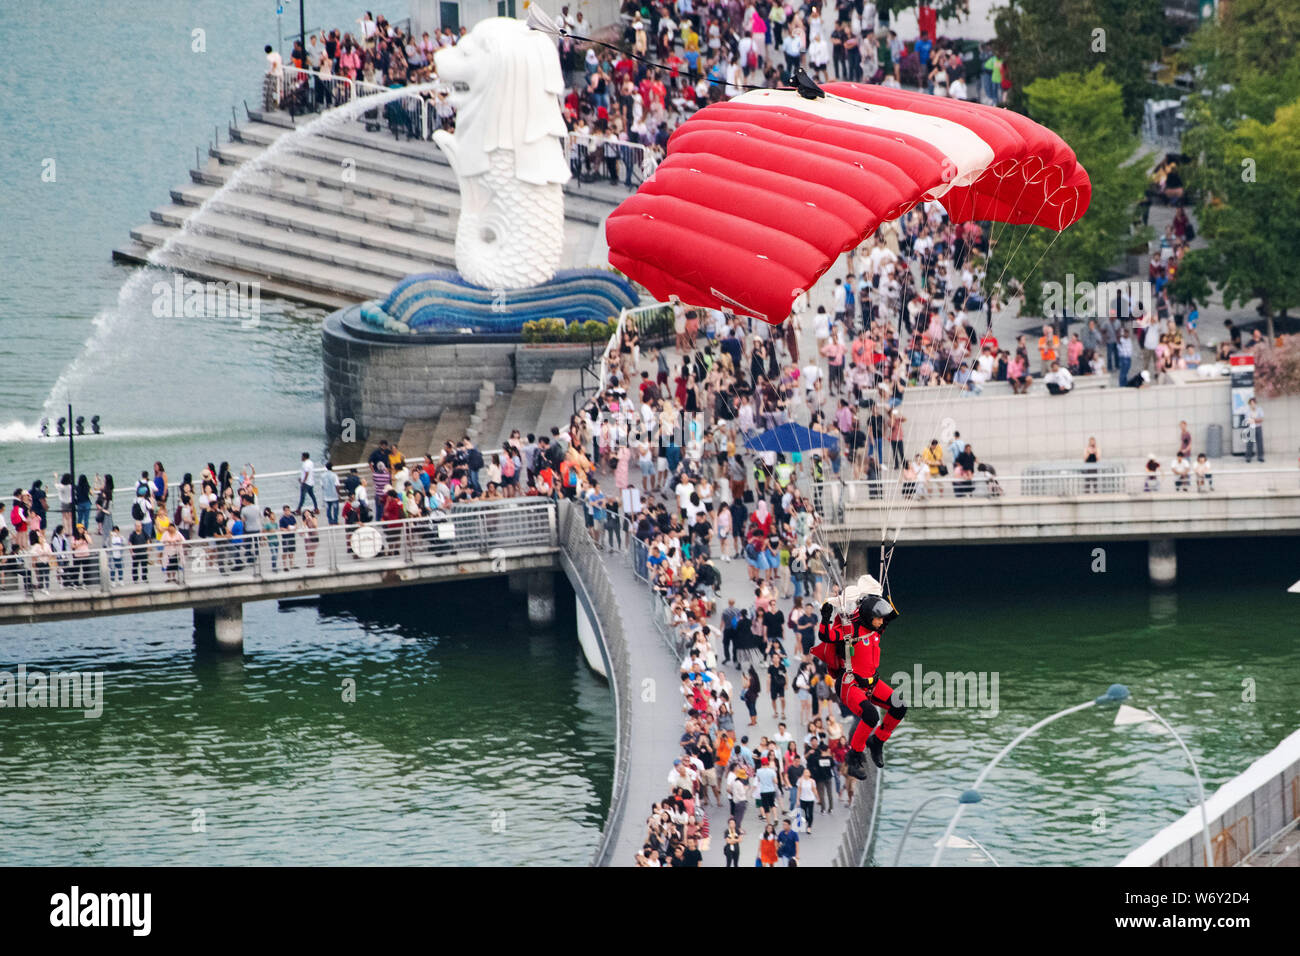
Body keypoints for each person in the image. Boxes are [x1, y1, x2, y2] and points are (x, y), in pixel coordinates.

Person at [811, 579, 904, 774]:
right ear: (869, 616)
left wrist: (878, 594)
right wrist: (826, 617)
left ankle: (876, 741)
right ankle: (853, 758)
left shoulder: (877, 628)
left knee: (899, 706)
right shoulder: (851, 629)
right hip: (850, 685)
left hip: (872, 682)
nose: (881, 622)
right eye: (878, 618)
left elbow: (891, 615)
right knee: (870, 716)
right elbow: (826, 636)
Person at [1244, 397, 1264, 462]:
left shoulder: (1259, 409)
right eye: (1251, 403)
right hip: (1251, 428)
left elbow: (1261, 419)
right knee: (1250, 443)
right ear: (1249, 404)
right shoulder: (1247, 411)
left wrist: (1253, 419)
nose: (1253, 405)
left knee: (1260, 443)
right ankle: (1248, 457)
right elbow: (1248, 421)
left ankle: (1260, 457)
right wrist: (1256, 420)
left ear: (1255, 403)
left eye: (1254, 403)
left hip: (1258, 428)